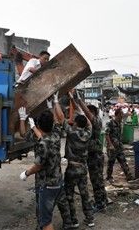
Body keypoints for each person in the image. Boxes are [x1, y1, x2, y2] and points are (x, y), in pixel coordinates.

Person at [18, 101, 63, 230]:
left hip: (47, 185)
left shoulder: (42, 144)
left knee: (45, 220)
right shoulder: (56, 134)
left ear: (38, 125)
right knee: (45, 214)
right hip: (58, 181)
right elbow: (57, 123)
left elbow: (38, 166)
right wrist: (52, 107)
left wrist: (26, 173)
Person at [57, 94, 95, 228]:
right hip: (83, 168)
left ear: (77, 123)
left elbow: (61, 120)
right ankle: (90, 219)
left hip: (72, 169)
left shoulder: (72, 132)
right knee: (85, 195)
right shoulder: (87, 134)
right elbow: (89, 123)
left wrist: (56, 102)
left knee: (69, 195)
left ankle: (74, 220)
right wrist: (78, 107)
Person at [76, 98, 108, 213]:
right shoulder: (96, 121)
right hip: (95, 155)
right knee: (99, 179)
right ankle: (103, 201)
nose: (85, 116)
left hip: (95, 156)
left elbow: (88, 114)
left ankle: (100, 205)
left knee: (96, 181)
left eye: (88, 113)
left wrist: (79, 101)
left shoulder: (96, 121)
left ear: (92, 113)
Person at [105, 108, 138, 183]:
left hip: (119, 146)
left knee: (123, 161)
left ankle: (129, 176)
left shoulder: (120, 123)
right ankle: (109, 177)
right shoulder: (110, 123)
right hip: (112, 147)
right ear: (118, 114)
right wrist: (110, 145)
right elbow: (106, 134)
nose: (123, 115)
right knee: (111, 162)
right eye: (122, 114)